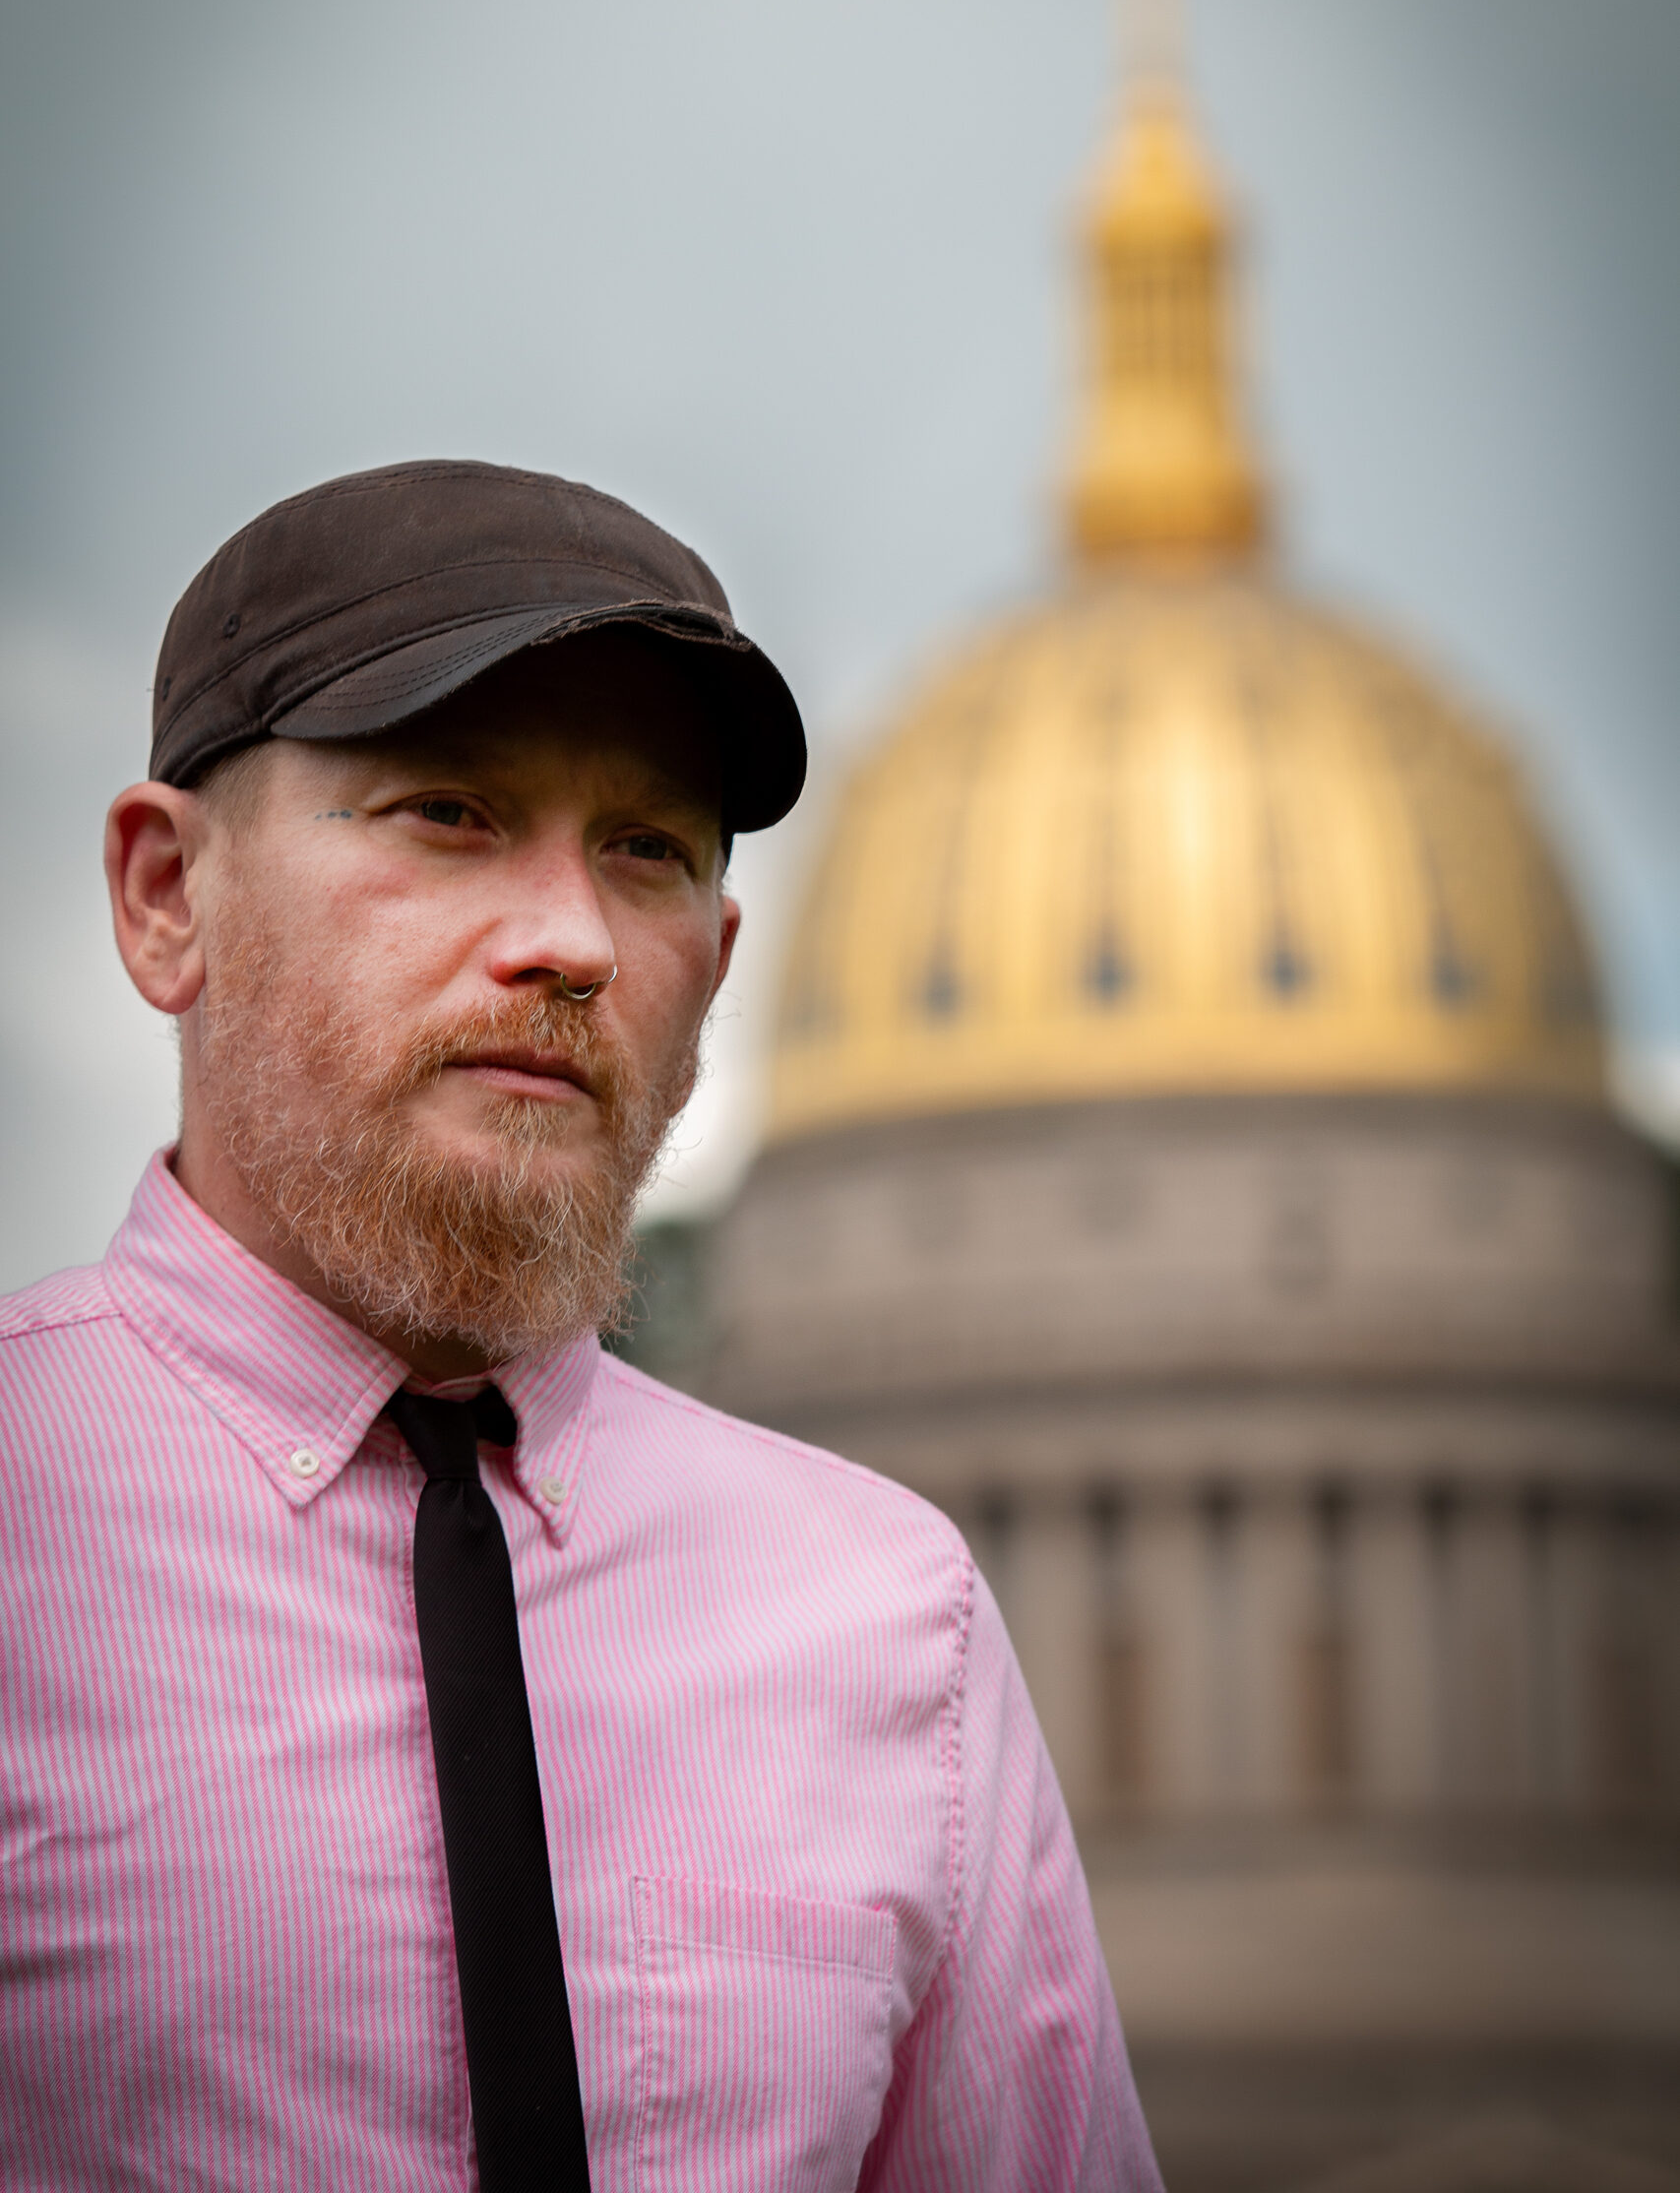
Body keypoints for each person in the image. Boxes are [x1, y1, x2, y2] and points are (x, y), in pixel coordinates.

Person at [0, 459, 1162, 2190]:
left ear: (719, 947)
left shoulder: (892, 1628)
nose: (572, 941)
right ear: (169, 896)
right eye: (448, 812)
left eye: (646, 851)